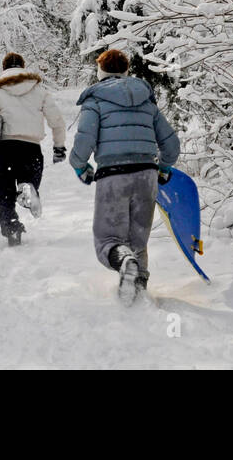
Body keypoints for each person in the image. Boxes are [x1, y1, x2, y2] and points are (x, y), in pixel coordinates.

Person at [70, 48, 180, 304]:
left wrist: (80, 167)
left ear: (100, 72)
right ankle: (137, 294)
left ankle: (124, 262)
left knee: (108, 239)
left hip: (113, 176)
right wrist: (163, 169)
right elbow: (171, 145)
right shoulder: (146, 100)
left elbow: (84, 141)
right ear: (127, 70)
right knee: (138, 238)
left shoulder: (95, 100)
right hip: (146, 175)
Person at [0, 52, 68, 247]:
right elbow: (56, 120)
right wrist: (59, 146)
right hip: (31, 147)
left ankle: (11, 227)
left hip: (6, 146)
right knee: (30, 179)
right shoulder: (39, 90)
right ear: (23, 66)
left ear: (4, 68)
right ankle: (28, 186)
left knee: (4, 190)